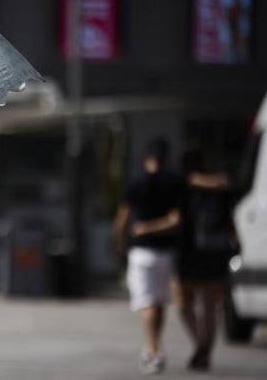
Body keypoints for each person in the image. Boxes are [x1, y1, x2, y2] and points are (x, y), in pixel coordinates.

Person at [113, 138, 187, 375]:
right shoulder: (175, 182)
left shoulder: (135, 183)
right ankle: (155, 346)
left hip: (141, 251)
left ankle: (153, 349)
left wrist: (122, 243)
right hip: (166, 252)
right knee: (159, 303)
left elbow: (122, 220)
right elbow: (176, 220)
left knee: (146, 304)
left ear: (146, 158)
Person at [175, 149, 238, 371]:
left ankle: (200, 346)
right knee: (209, 304)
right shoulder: (221, 186)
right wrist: (237, 244)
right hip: (216, 249)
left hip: (190, 251)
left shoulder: (184, 184)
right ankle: (205, 351)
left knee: (183, 304)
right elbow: (231, 220)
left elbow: (176, 218)